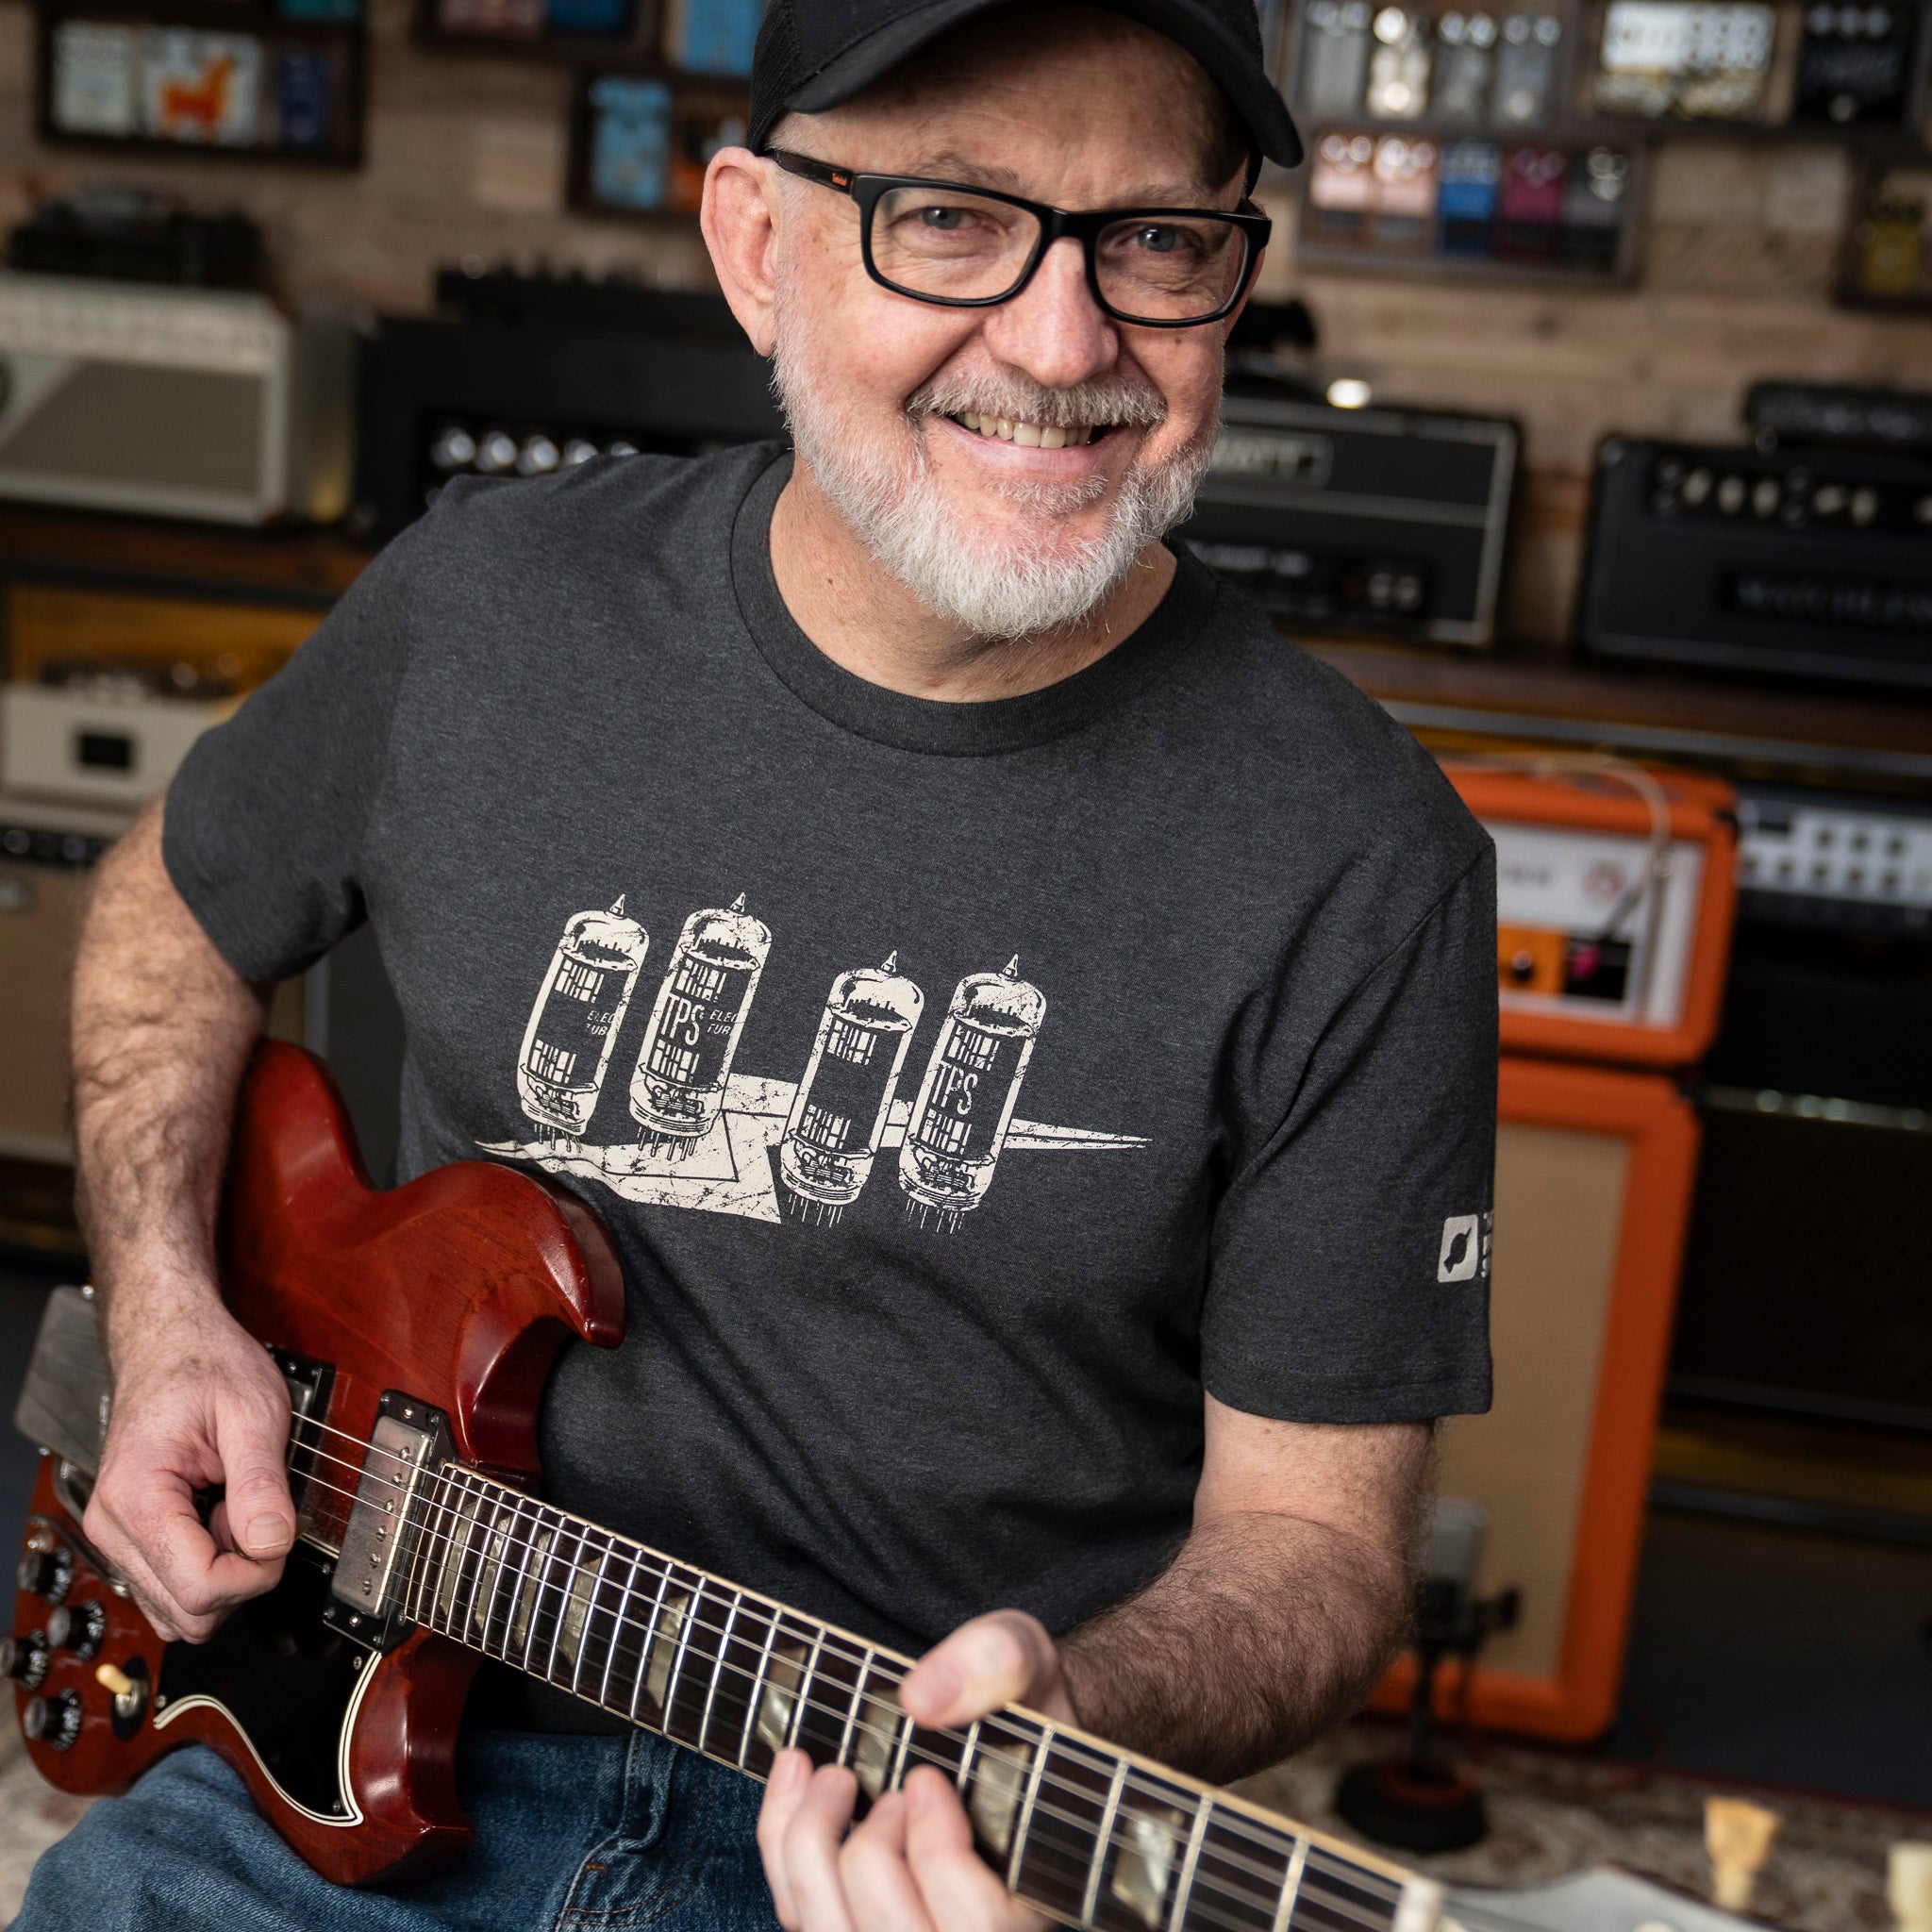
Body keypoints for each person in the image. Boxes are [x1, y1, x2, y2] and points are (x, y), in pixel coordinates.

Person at [20, 0, 1497, 1924]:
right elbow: (170, 900)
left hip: (906, 1849)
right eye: (949, 220)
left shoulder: (1362, 859)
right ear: (753, 244)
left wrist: (1079, 1700)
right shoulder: (486, 607)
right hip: (337, 1715)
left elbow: (1312, 1547)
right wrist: (161, 1308)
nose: (1063, 347)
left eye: (1154, 241)